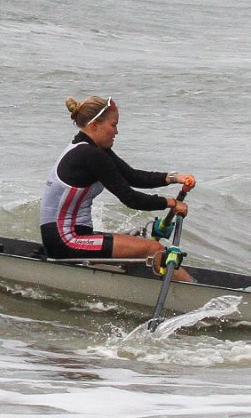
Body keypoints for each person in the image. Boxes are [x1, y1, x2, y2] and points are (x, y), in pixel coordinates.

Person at [42, 96, 195, 280]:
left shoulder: (91, 148)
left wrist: (173, 178)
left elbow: (132, 176)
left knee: (140, 247)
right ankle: (198, 294)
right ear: (94, 125)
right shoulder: (89, 154)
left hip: (74, 236)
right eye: (113, 125)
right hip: (65, 240)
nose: (116, 132)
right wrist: (170, 203)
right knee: (155, 250)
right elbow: (129, 197)